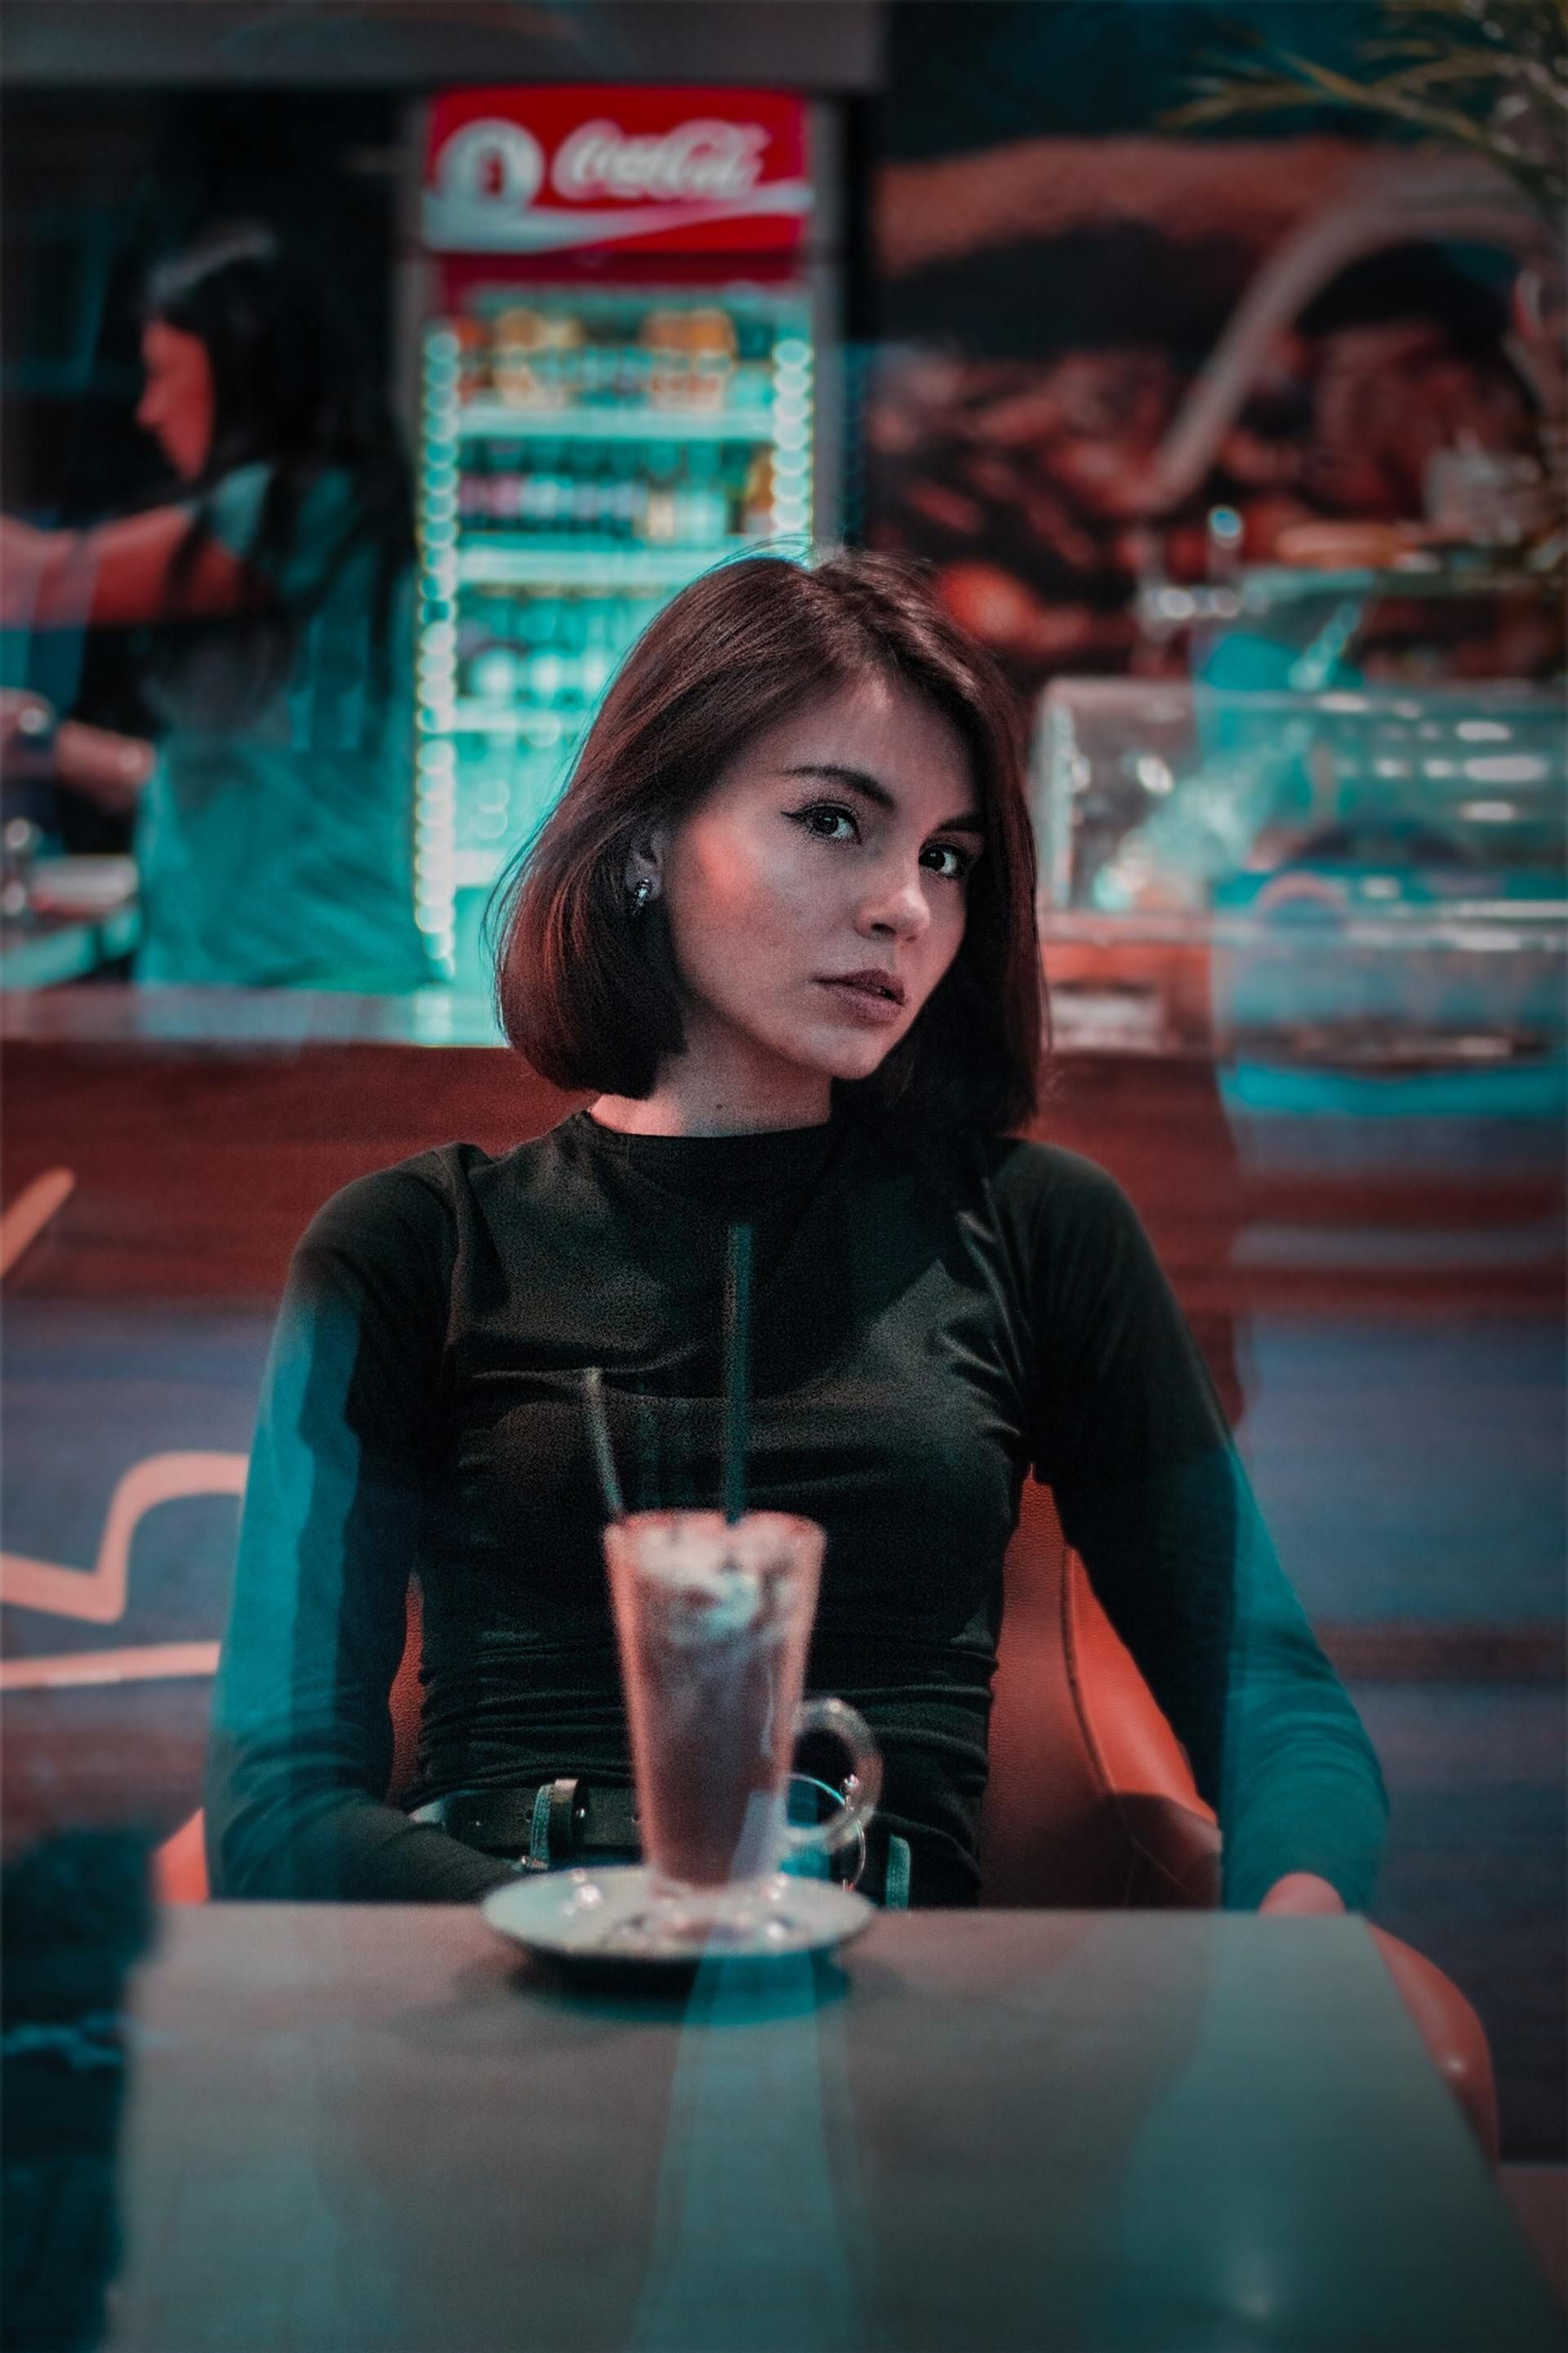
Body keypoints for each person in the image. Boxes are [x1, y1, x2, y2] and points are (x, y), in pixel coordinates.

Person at [205, 550, 1385, 1914]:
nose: (907, 905)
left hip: (894, 2010)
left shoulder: (1036, 1230)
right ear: (645, 843)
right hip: (502, 1985)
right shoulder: (416, 1242)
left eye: (948, 857)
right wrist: (597, 1938)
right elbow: (276, 1807)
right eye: (836, 823)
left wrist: (1303, 1921)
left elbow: (1272, 1697)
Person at [0, 224, 432, 992]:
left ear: (240, 376)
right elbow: (221, 775)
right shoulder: (318, 514)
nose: (149, 411)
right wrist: (44, 744)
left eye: (166, 375)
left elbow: (32, 583)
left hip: (302, 986)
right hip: (263, 979)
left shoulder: (297, 510)